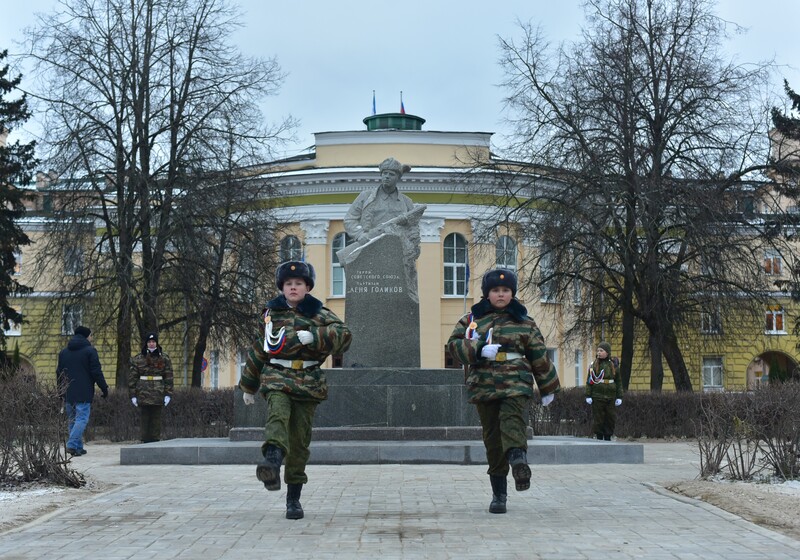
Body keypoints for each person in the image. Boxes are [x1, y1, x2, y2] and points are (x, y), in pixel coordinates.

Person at [240, 261, 352, 520]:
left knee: (300, 442)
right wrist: (249, 385)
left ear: (307, 287)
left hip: (308, 382)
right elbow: (259, 349)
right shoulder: (271, 314)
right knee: (277, 414)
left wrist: (316, 335)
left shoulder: (319, 313)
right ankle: (272, 461)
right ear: (282, 287)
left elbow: (344, 336)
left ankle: (293, 499)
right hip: (277, 377)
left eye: (298, 284)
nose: (293, 288)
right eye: (289, 284)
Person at [447, 268, 561, 514]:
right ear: (487, 294)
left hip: (515, 382)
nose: (500, 295)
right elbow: (454, 345)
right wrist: (477, 349)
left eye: (505, 290)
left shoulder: (524, 322)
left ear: (512, 293)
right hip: (484, 384)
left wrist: (547, 386)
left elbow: (539, 355)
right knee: (492, 439)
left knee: (512, 421)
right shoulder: (472, 320)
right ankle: (499, 494)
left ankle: (518, 458)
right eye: (496, 291)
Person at [342, 157, 425, 300]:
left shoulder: (406, 202)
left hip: (397, 253)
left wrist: (410, 239)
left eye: (391, 174)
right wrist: (359, 234)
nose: (386, 177)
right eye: (384, 173)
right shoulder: (366, 196)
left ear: (398, 177)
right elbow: (349, 219)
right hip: (370, 247)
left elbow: (413, 228)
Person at [56, 325, 109, 456]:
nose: (92, 338)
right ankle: (72, 444)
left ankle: (77, 448)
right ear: (86, 336)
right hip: (84, 392)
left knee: (72, 420)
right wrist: (104, 387)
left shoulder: (63, 352)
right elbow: (96, 372)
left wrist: (60, 391)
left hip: (68, 391)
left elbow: (59, 373)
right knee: (82, 419)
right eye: (91, 335)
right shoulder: (90, 351)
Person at [128, 332, 174, 443]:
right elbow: (132, 378)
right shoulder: (139, 358)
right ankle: (145, 441)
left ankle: (155, 441)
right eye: (149, 342)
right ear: (146, 343)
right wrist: (133, 395)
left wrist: (168, 394)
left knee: (156, 418)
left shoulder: (164, 358)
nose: (152, 344)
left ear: (157, 343)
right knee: (145, 417)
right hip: (143, 392)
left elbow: (168, 377)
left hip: (158, 392)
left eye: (154, 342)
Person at [585, 341, 623, 441]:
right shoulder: (593, 365)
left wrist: (619, 397)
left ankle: (608, 437)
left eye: (601, 350)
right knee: (598, 419)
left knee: (610, 418)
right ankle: (599, 437)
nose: (599, 353)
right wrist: (588, 395)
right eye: (598, 350)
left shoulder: (613, 365)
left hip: (611, 396)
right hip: (597, 396)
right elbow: (589, 381)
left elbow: (618, 382)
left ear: (607, 352)